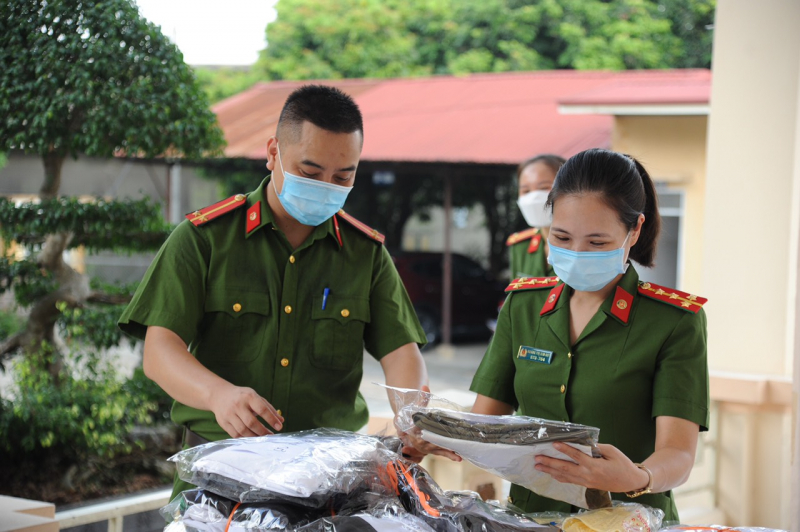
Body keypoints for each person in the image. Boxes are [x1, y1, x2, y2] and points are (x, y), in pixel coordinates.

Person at [118, 85, 434, 497]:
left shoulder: (365, 254)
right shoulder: (204, 239)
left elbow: (402, 354)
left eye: (344, 177)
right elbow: (160, 353)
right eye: (310, 171)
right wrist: (218, 395)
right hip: (220, 470)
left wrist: (411, 417)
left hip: (329, 480)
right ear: (273, 153)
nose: (326, 186)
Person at [470, 148, 709, 521]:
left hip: (631, 520)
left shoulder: (673, 322)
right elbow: (483, 423)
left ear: (635, 230)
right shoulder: (523, 306)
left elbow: (678, 454)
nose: (577, 252)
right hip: (532, 520)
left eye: (597, 242)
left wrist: (638, 477)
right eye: (562, 237)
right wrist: (433, 434)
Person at [506, 154, 565, 280]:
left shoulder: (588, 247)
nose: (533, 197)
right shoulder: (520, 247)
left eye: (544, 188)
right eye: (526, 191)